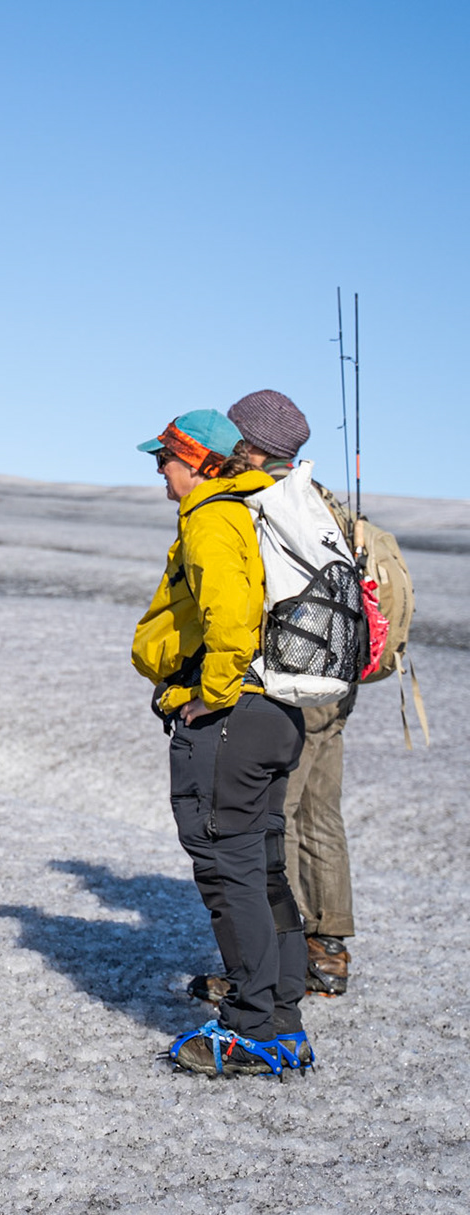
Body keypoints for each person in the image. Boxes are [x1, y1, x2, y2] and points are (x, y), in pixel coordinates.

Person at [131, 408, 314, 1077]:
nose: (160, 474)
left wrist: (212, 694)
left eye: (165, 460)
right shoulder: (258, 508)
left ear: (200, 460)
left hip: (234, 717)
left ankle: (251, 1028)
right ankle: (282, 1019)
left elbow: (230, 615)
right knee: (261, 867)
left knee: (226, 869)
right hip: (277, 713)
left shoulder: (214, 514)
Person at [225, 389, 359, 997]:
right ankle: (327, 951)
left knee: (271, 820)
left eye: (236, 437)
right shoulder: (320, 499)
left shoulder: (268, 501)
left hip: (291, 677)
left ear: (253, 444)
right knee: (320, 813)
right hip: (335, 676)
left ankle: (272, 971)